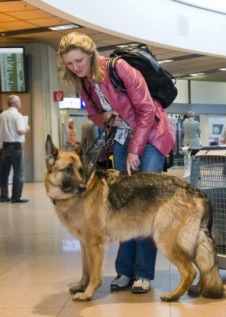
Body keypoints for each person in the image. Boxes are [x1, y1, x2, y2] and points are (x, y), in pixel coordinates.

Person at [57, 31, 175, 294]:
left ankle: (143, 273)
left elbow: (146, 110)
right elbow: (94, 114)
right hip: (121, 137)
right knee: (122, 203)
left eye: (79, 60)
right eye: (70, 64)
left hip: (152, 135)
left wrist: (135, 149)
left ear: (91, 53)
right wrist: (105, 116)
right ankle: (124, 270)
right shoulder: (83, 82)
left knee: (145, 203)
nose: (76, 67)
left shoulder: (119, 68)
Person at [0, 95, 30, 203]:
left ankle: (4, 196)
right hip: (16, 146)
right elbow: (20, 131)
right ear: (16, 103)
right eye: (19, 102)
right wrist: (27, 128)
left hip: (5, 146)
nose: (20, 104)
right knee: (18, 172)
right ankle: (16, 197)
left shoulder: (2, 115)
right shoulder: (18, 115)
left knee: (5, 173)